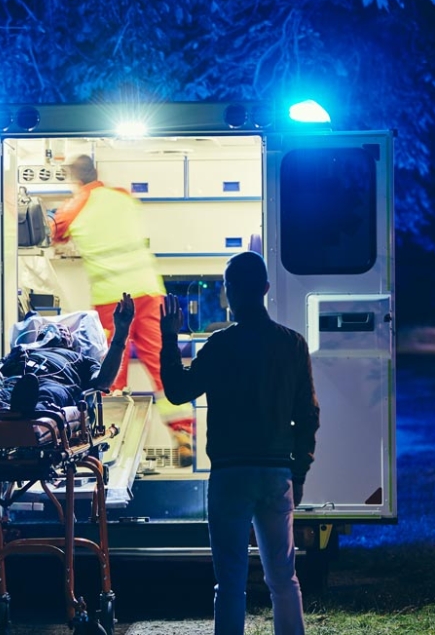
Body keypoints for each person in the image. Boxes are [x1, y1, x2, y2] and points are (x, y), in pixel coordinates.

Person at [159, 251, 320, 635]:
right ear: (265, 289)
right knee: (284, 577)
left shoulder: (219, 346)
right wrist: (297, 472)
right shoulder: (292, 345)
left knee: (230, 582)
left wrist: (168, 338)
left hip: (230, 476)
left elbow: (179, 391)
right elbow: (309, 416)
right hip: (276, 473)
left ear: (229, 293)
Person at [52, 155, 195, 465]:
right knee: (161, 363)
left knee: (111, 371)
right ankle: (183, 432)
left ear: (74, 178)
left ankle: (109, 445)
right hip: (149, 288)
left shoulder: (73, 207)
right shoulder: (122, 196)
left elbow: (56, 234)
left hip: (113, 299)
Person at [0, 294, 136, 415]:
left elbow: (103, 381)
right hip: (16, 384)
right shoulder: (23, 350)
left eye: (63, 329)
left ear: (70, 341)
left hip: (54, 386)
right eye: (45, 328)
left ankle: (26, 414)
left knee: (48, 393)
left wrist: (121, 333)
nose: (54, 328)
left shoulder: (80, 359)